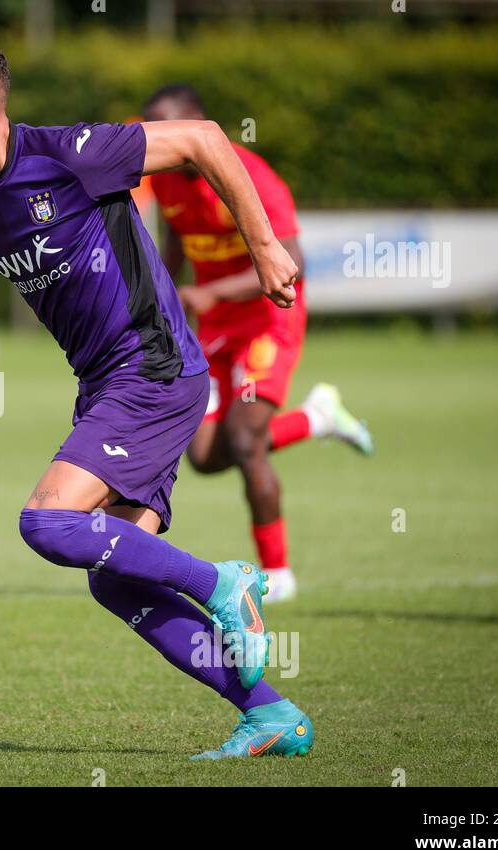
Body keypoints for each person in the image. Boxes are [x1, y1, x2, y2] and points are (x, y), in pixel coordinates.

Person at [0, 35, 312, 759]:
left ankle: (224, 580)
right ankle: (270, 713)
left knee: (46, 523)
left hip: (154, 368)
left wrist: (264, 246)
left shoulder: (71, 153)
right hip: (107, 384)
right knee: (115, 577)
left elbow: (205, 140)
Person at [144, 84, 374, 603]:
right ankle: (316, 418)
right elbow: (179, 239)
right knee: (203, 456)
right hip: (211, 327)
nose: (157, 138)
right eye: (151, 129)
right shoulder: (167, 182)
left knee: (246, 442)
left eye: (165, 125)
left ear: (199, 125)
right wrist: (161, 289)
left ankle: (280, 575)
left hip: (270, 320)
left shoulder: (249, 175)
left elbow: (293, 264)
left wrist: (211, 291)